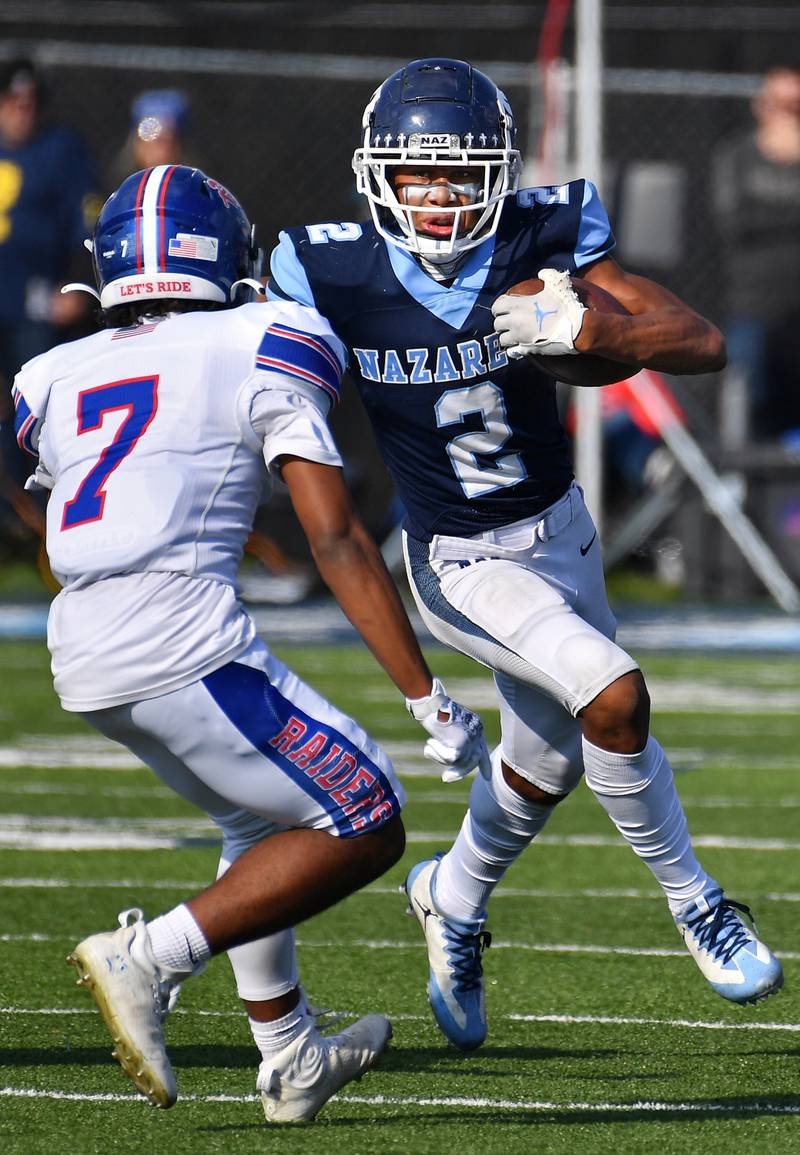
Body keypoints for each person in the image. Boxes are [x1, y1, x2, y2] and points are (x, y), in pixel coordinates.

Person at [267, 57, 783, 1052]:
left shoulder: (538, 237)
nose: (436, 195)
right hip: (457, 560)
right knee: (614, 694)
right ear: (378, 174)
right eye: (415, 174)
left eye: (459, 174)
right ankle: (697, 903)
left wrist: (595, 324)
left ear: (494, 174)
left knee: (541, 761)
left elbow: (701, 339)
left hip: (563, 532)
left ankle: (449, 900)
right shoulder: (326, 268)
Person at [12, 164, 489, 1121]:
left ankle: (291, 1055)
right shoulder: (263, 336)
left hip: (84, 640)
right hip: (176, 633)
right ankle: (150, 957)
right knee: (367, 814)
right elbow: (335, 535)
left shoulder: (54, 372)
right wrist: (422, 693)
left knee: (263, 817)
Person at [0, 57, 100, 552]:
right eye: (12, 100)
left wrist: (75, 283)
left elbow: (85, 221)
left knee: (34, 406)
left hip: (33, 303)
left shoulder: (61, 150)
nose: (21, 110)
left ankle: (37, 517)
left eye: (30, 101)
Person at [711, 65, 800, 441]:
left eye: (795, 107)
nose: (786, 115)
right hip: (753, 309)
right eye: (779, 105)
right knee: (745, 406)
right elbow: (735, 221)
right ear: (761, 107)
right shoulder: (736, 155)